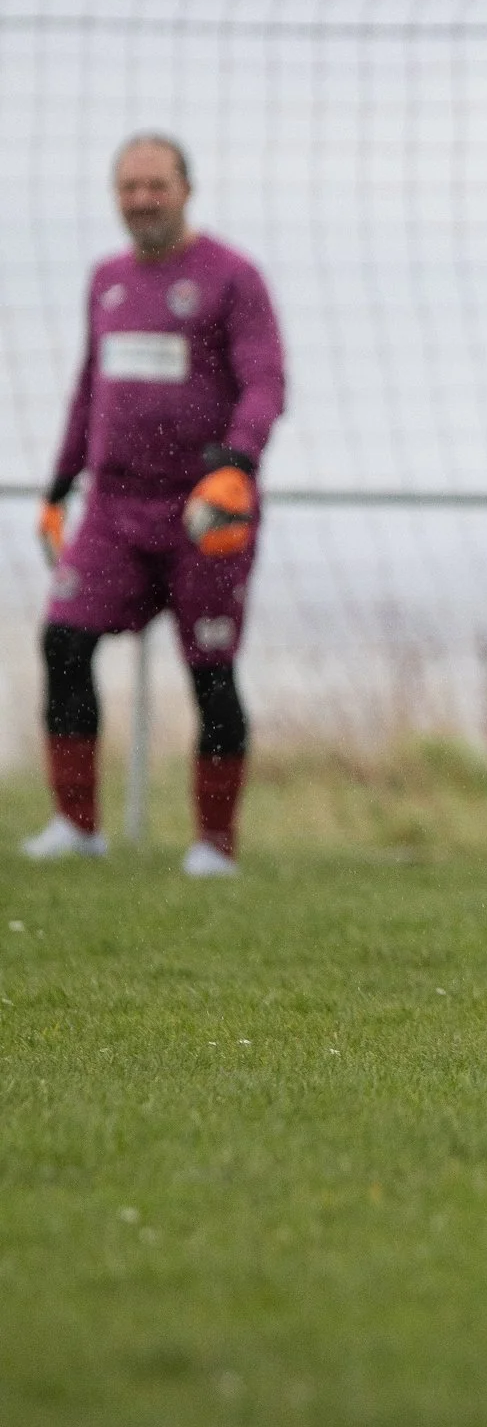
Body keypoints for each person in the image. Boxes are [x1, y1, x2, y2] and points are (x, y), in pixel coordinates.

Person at [24, 133, 285, 878]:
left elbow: (267, 383)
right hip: (112, 509)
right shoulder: (105, 279)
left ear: (186, 188)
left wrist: (237, 466)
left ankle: (214, 846)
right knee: (64, 644)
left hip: (204, 510)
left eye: (155, 185)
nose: (141, 199)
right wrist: (59, 484)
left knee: (211, 671)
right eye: (128, 187)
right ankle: (77, 827)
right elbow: (90, 387)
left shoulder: (234, 278)